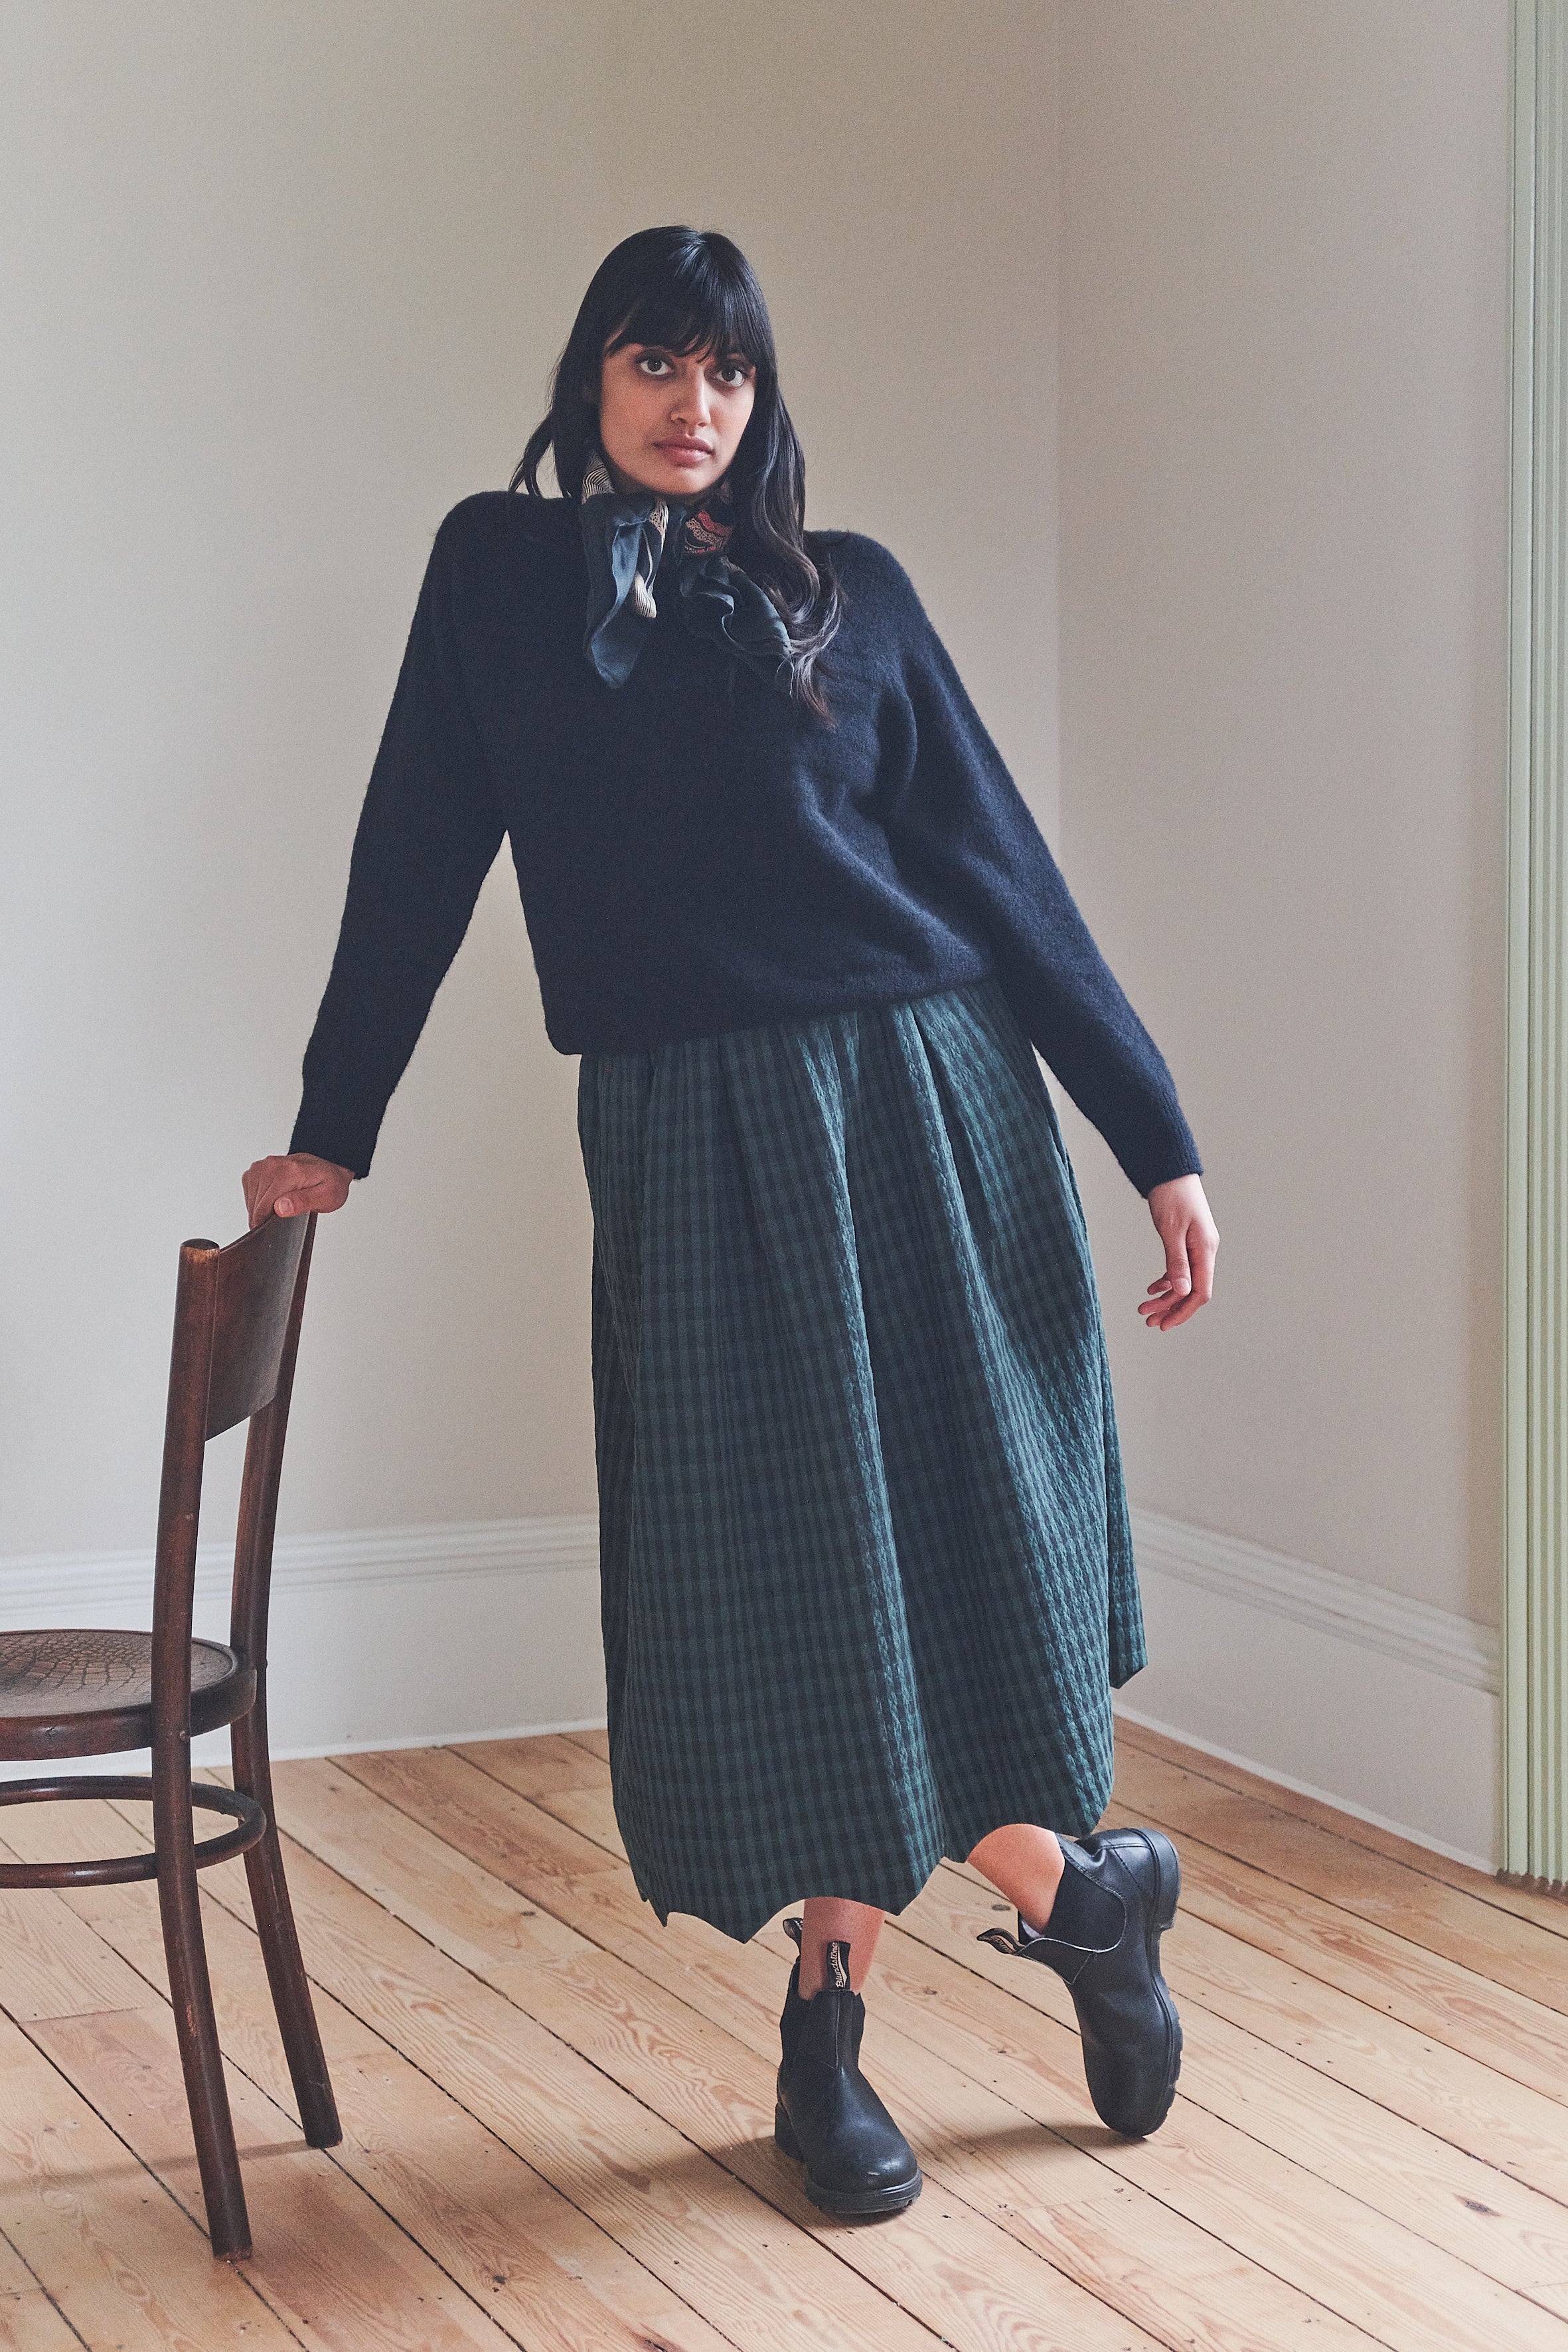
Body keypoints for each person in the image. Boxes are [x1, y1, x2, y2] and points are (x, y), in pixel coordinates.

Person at [244, 225, 1218, 2223]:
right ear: (589, 379)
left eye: (731, 376)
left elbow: (996, 874)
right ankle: (1084, 1901)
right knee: (781, 1576)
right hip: (689, 1129)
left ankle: (827, 2036)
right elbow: (417, 846)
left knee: (932, 1560)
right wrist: (334, 1125)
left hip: (923, 1101)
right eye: (655, 365)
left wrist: (1155, 1137)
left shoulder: (848, 599)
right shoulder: (499, 575)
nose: (696, 407)